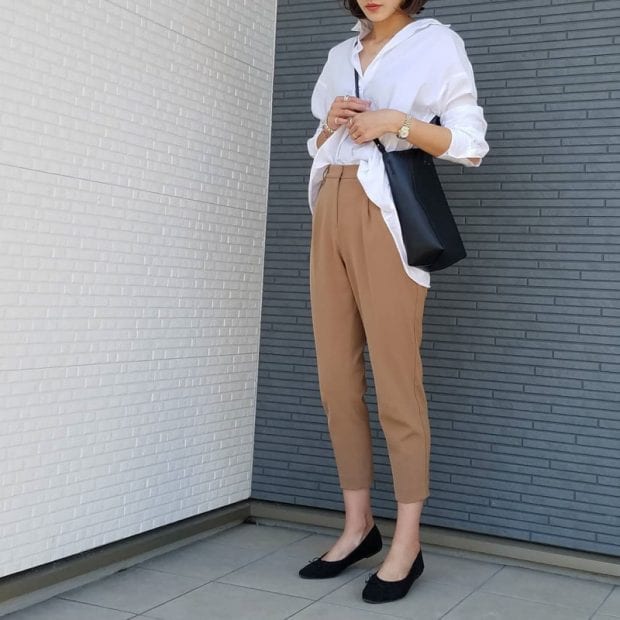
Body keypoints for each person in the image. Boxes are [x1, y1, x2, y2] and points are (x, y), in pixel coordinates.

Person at [297, 0, 489, 604]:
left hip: (383, 214)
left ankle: (408, 540)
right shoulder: (340, 54)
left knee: (396, 383)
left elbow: (470, 144)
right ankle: (358, 527)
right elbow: (318, 145)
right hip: (329, 205)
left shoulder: (436, 43)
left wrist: (396, 123)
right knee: (336, 381)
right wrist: (329, 124)